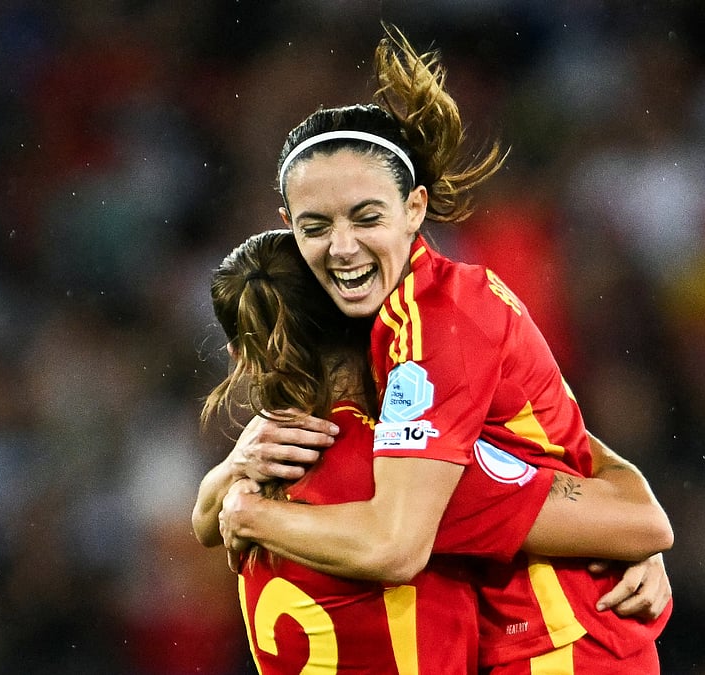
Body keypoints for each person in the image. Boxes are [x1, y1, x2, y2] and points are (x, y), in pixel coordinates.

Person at [216, 24, 673, 673]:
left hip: (558, 644)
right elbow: (586, 468)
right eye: (317, 226)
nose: (342, 246)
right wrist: (230, 477)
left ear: (415, 208)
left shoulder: (434, 333)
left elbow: (396, 545)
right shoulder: (408, 328)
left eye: (366, 217)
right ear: (289, 228)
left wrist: (247, 511)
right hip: (534, 639)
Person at [196, 229, 672, 672]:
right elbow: (640, 522)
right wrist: (626, 545)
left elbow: (204, 522)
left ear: (239, 358)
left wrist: (240, 500)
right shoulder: (410, 467)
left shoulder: (258, 469)